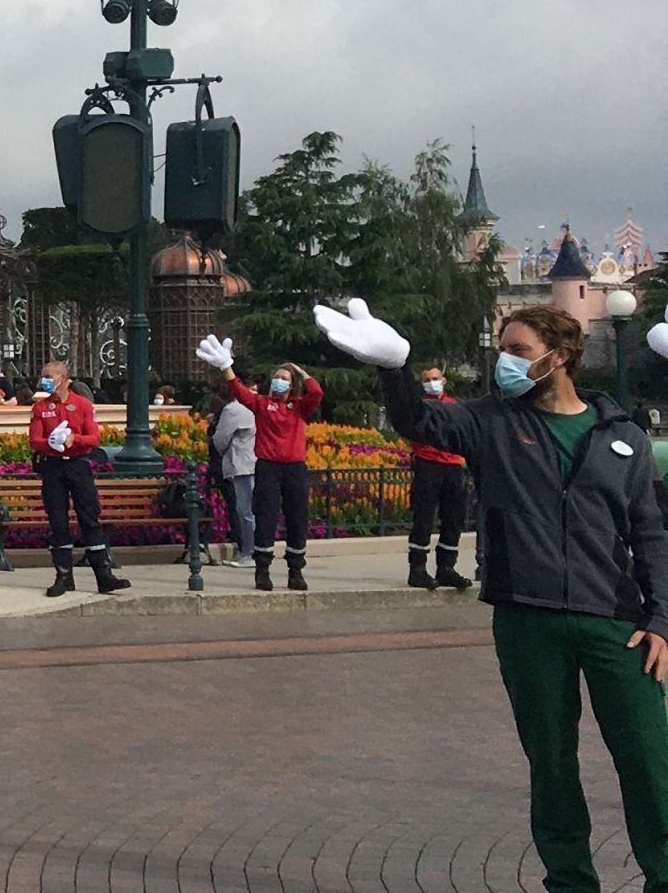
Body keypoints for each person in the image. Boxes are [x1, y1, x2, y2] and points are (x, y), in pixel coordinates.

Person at [322, 297, 668, 893]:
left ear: (558, 358)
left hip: (618, 622)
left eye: (518, 351)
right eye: (501, 349)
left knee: (648, 761)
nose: (504, 362)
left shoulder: (624, 436)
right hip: (527, 619)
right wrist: (394, 368)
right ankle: (570, 882)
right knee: (552, 766)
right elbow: (420, 424)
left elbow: (650, 532)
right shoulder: (488, 421)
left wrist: (662, 617)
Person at [196, 335, 319, 591]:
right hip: (267, 467)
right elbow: (238, 391)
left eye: (285, 378)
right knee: (266, 517)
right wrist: (225, 366)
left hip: (295, 468)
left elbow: (317, 393)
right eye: (277, 376)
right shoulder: (262, 404)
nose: (280, 380)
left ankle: (295, 570)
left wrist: (301, 372)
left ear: (292, 385)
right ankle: (262, 569)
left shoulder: (298, 407)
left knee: (297, 518)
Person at [28, 358, 130, 596]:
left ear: (63, 379)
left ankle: (104, 576)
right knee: (57, 520)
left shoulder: (82, 405)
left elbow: (94, 438)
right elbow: (34, 440)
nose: (45, 381)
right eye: (43, 376)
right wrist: (49, 443)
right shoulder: (41, 408)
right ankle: (64, 577)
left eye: (49, 376)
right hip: (53, 467)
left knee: (90, 518)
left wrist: (76, 440)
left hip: (78, 465)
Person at [408, 363, 472, 591]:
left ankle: (446, 568)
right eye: (427, 379)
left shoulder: (454, 406)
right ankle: (417, 569)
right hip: (427, 463)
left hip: (453, 465)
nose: (432, 382)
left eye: (435, 378)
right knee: (423, 517)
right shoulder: (418, 406)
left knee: (453, 518)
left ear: (443, 380)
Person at [211, 391, 257, 571]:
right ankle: (253, 551)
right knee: (252, 511)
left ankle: (248, 552)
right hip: (255, 462)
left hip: (242, 463)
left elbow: (220, 439)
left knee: (244, 511)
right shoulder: (252, 407)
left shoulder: (232, 410)